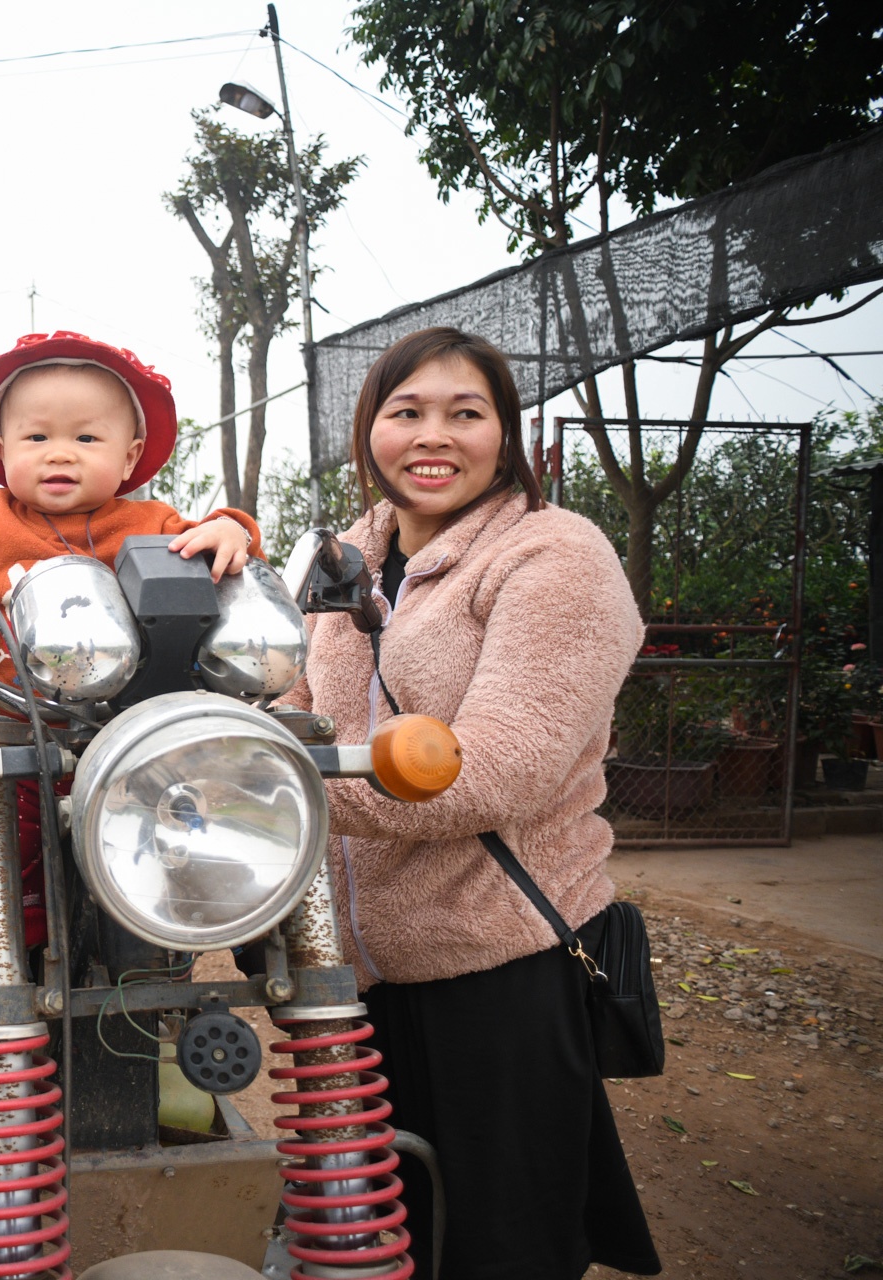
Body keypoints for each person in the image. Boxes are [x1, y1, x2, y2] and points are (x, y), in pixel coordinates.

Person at [282, 326, 660, 1279]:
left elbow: (496, 767)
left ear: (507, 432)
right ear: (370, 427)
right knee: (370, 1235)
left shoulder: (556, 556)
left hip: (499, 963)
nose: (432, 436)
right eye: (406, 412)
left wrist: (286, 781)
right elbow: (283, 702)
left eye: (466, 413)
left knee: (501, 1246)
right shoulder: (341, 560)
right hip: (351, 971)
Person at [0, 330, 264, 948]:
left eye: (86, 438)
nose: (60, 454)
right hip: (11, 735)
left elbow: (208, 536)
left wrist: (232, 531)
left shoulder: (149, 523)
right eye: (37, 436)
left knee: (189, 855)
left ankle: (207, 945)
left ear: (129, 459)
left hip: (126, 740)